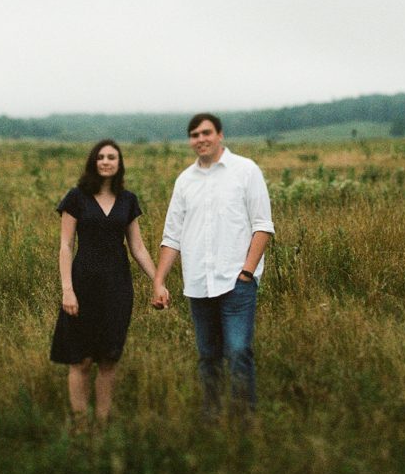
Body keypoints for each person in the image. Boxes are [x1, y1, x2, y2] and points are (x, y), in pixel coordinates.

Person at [151, 113, 275, 422]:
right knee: (208, 356)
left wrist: (246, 273)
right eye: (194, 134)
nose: (200, 139)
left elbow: (263, 226)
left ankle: (244, 419)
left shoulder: (245, 171)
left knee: (238, 352)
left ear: (220, 134)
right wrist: (159, 280)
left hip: (236, 282)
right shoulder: (185, 181)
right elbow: (172, 236)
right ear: (190, 140)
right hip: (197, 284)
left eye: (206, 132)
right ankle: (212, 415)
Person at [49, 139, 160, 426]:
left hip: (117, 287)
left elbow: (138, 247)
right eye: (101, 157)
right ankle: (80, 424)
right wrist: (67, 290)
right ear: (93, 162)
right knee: (81, 360)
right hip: (82, 284)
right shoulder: (76, 197)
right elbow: (65, 246)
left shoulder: (128, 199)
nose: (106, 161)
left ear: (120, 163)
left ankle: (102, 425)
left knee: (109, 359)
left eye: (112, 157)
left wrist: (158, 281)